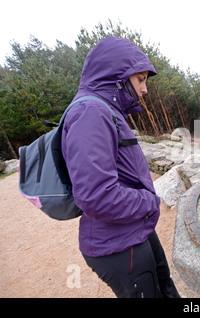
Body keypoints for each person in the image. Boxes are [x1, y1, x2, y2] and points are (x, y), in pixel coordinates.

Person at [61, 36, 180, 298]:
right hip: (117, 245)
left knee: (166, 287)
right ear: (118, 77)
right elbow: (96, 196)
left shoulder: (106, 110)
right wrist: (150, 201)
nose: (145, 89)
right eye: (140, 80)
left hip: (133, 229)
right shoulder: (91, 113)